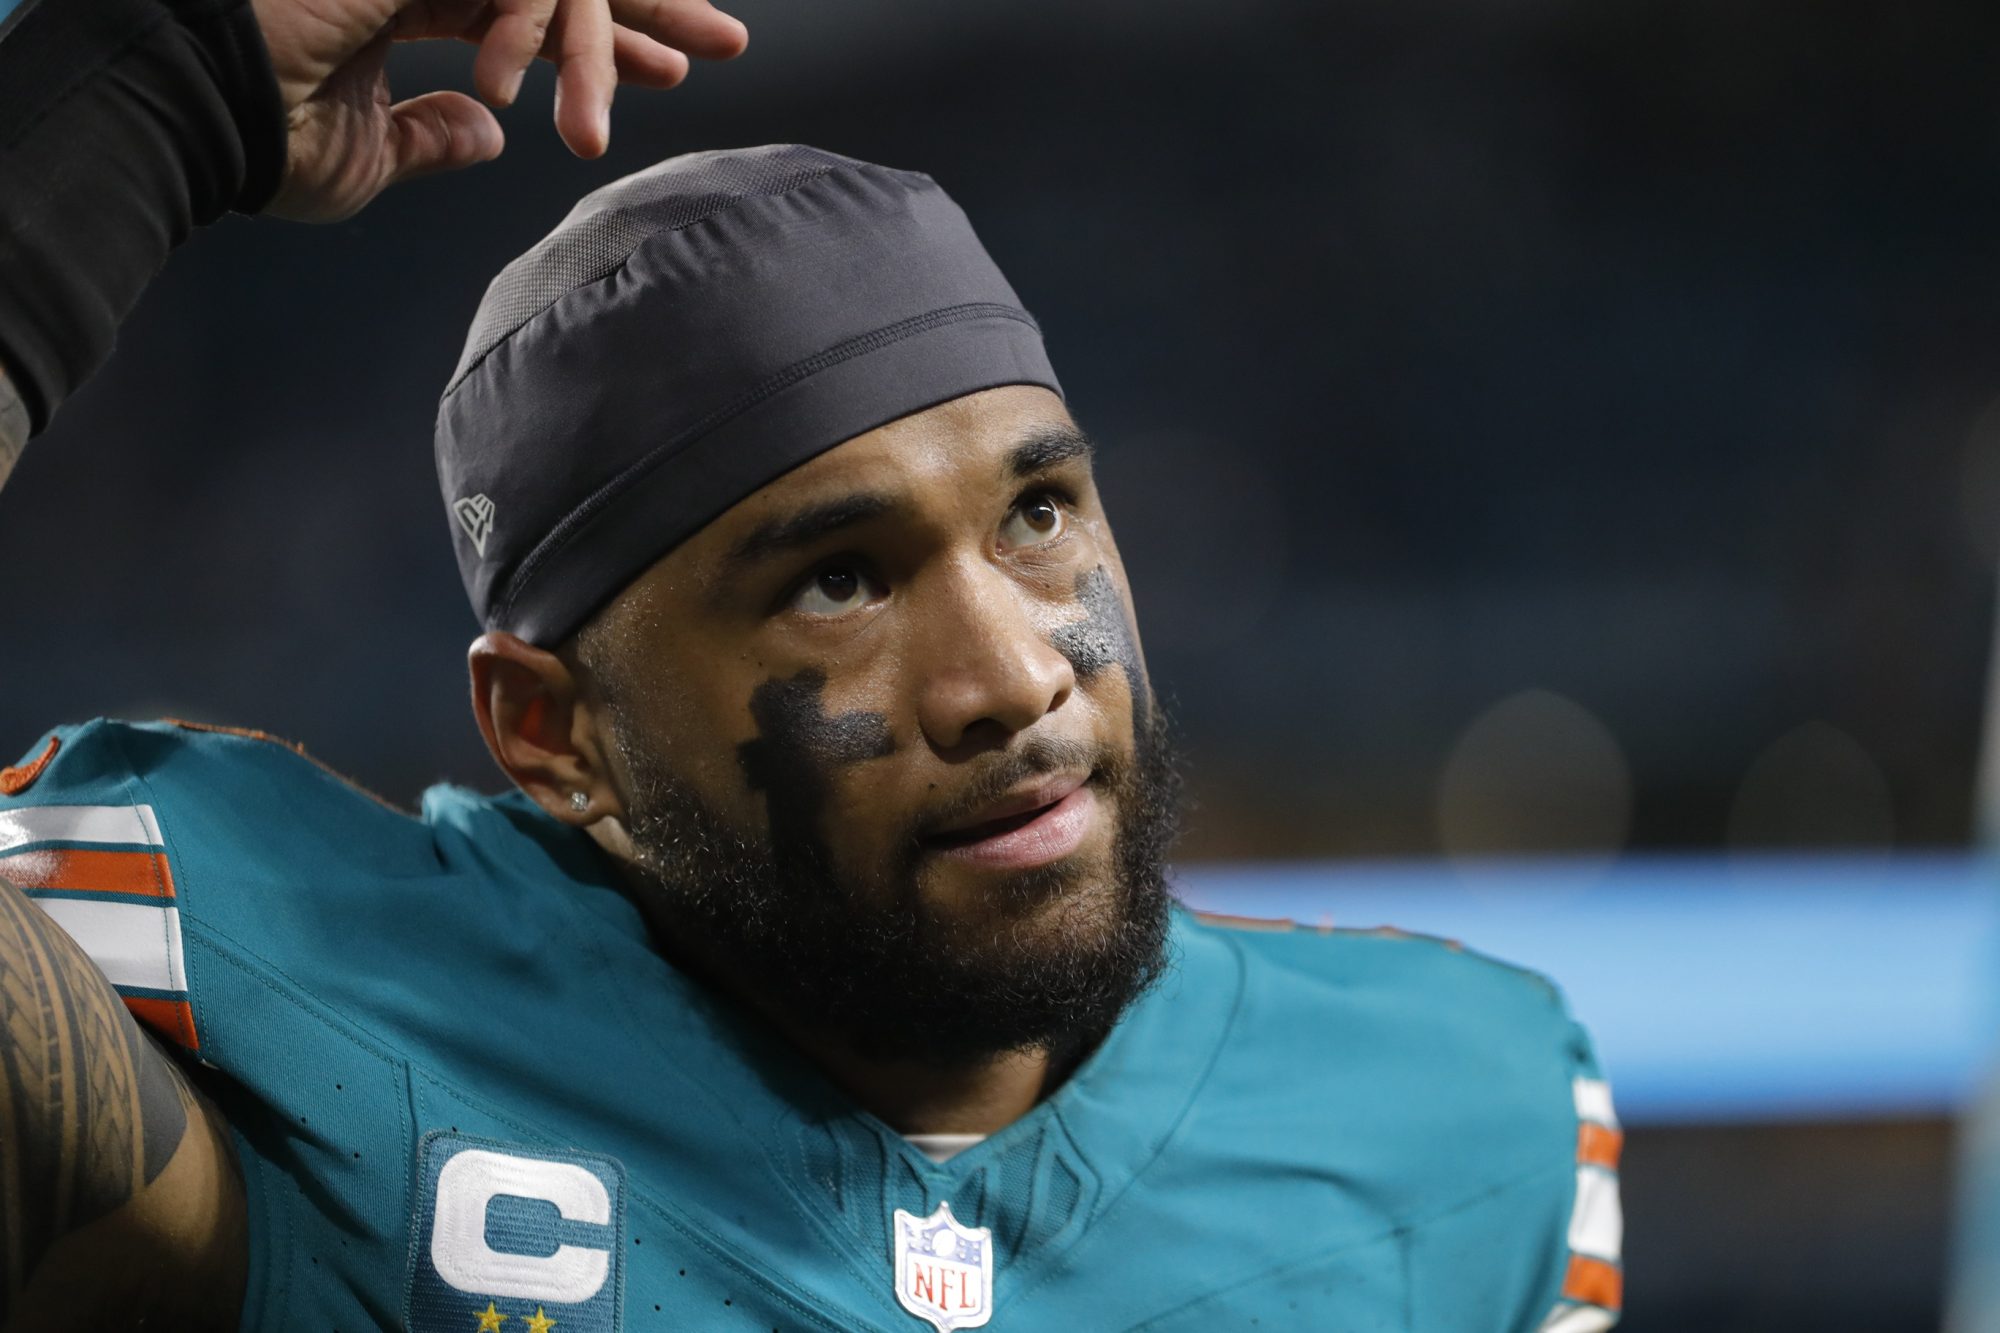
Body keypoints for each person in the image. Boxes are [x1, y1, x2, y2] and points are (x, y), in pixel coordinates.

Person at [0, 0, 1624, 1327]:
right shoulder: (293, 1011)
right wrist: (151, 87)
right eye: (838, 581)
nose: (1008, 677)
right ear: (554, 733)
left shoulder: (1466, 1128)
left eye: (1039, 513)